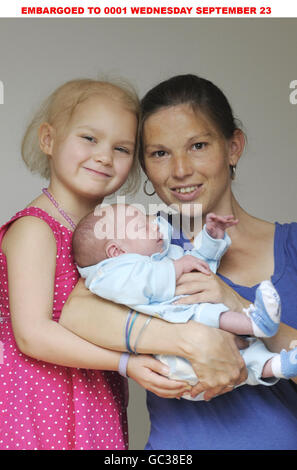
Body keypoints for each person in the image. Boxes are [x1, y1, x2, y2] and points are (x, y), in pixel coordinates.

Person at [60, 74, 297, 449]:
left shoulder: (293, 246)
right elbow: (75, 315)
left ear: (233, 147)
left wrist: (239, 305)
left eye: (198, 145)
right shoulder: (143, 242)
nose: (180, 170)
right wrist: (188, 340)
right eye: (159, 153)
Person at [0, 77, 191, 450]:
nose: (104, 156)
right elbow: (32, 334)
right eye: (89, 138)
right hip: (35, 398)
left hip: (90, 393)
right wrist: (125, 362)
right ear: (48, 140)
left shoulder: (116, 238)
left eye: (121, 148)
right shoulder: (35, 230)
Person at [72, 202, 297, 396]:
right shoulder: (109, 274)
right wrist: (177, 267)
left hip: (192, 321)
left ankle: (279, 364)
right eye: (142, 227)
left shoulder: (164, 252)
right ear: (116, 251)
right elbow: (142, 282)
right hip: (178, 364)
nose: (154, 225)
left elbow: (197, 265)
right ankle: (256, 325)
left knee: (247, 355)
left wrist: (212, 239)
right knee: (212, 319)